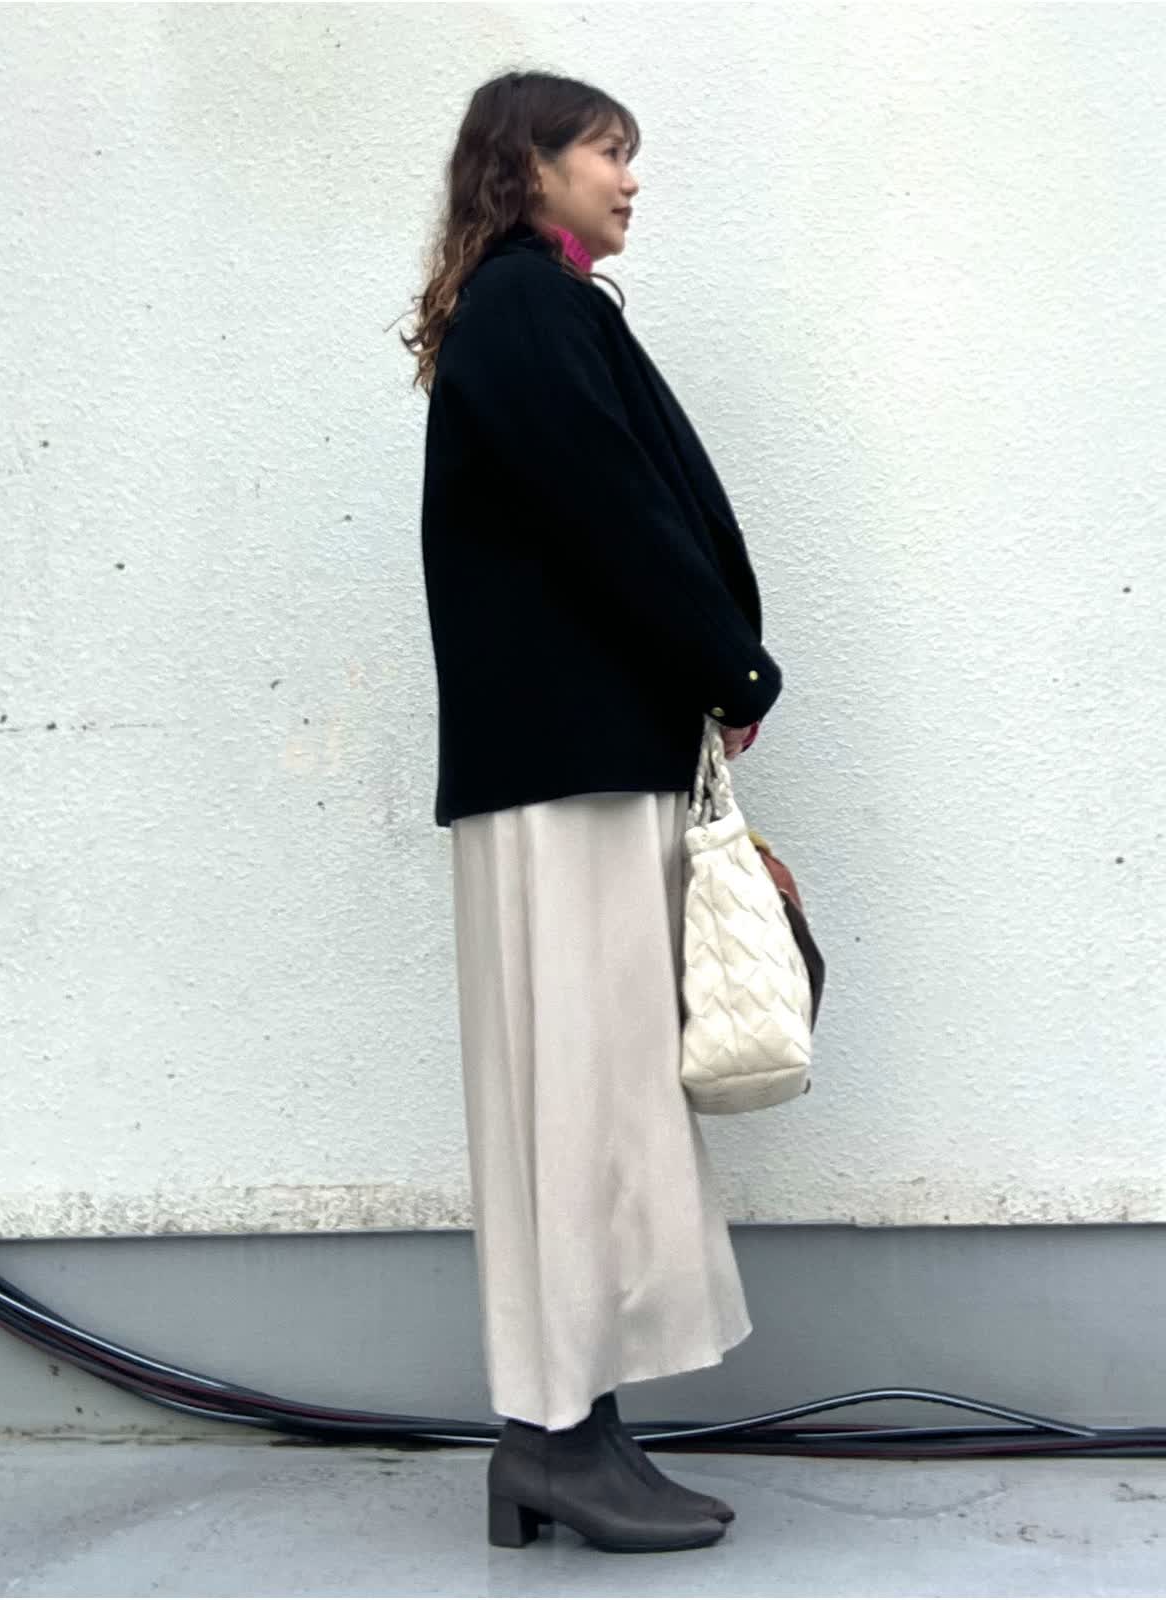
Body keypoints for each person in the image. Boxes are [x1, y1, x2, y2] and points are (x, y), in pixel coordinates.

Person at [400, 70, 784, 1555]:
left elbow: (608, 511)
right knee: (578, 1099)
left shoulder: (535, 309)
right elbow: (615, 514)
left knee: (592, 1097)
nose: (630, 180)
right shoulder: (527, 308)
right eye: (606, 153)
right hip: (563, 778)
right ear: (532, 165)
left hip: (572, 767)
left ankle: (571, 1431)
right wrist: (731, 663)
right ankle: (555, 1441)